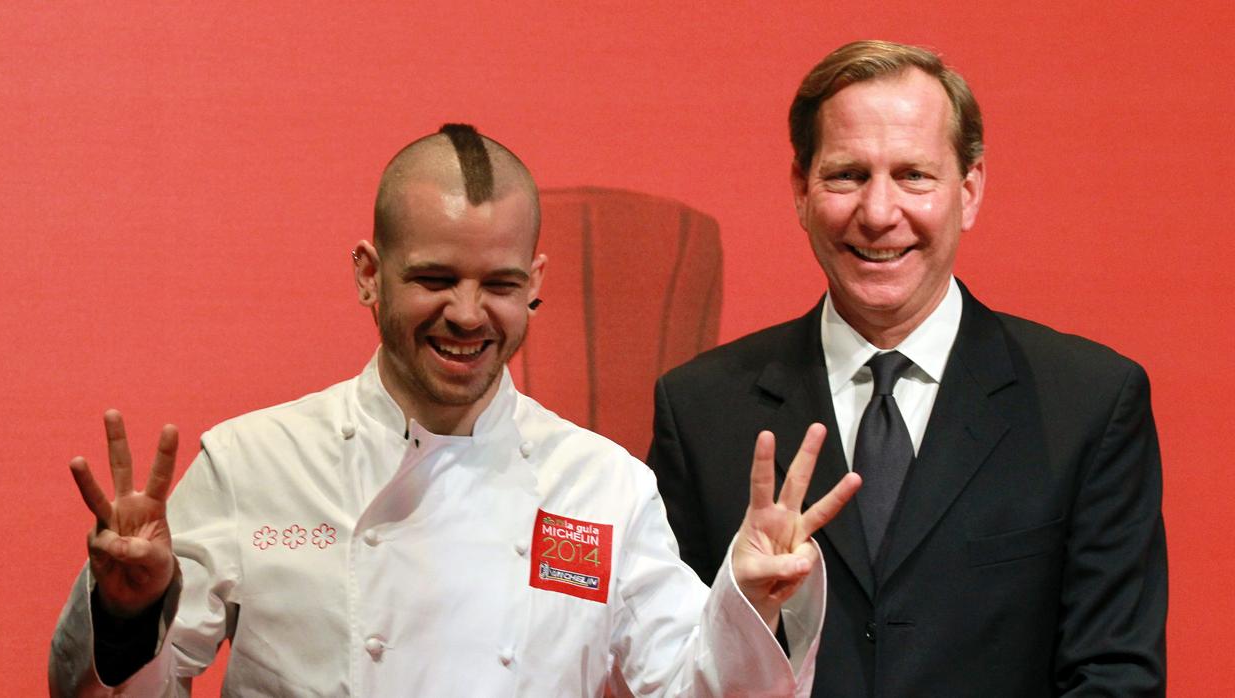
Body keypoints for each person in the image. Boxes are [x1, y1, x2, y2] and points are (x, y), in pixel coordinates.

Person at [49, 123, 860, 697]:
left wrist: (749, 602)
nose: (468, 315)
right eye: (435, 279)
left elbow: (692, 690)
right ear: (370, 273)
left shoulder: (603, 488)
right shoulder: (252, 462)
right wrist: (124, 612)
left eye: (500, 285)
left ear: (536, 282)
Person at [647, 40, 1167, 697]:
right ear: (801, 191)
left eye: (914, 175)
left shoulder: (1089, 403)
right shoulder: (701, 410)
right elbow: (664, 669)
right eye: (847, 175)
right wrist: (745, 611)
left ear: (969, 190)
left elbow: (1113, 675)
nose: (879, 212)